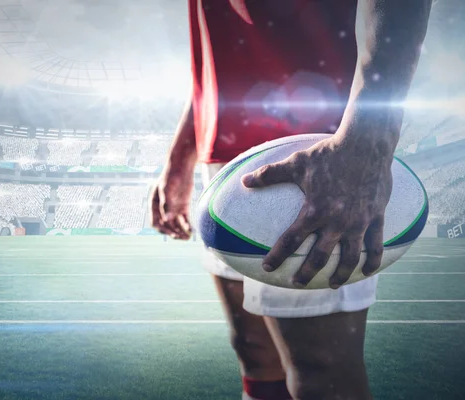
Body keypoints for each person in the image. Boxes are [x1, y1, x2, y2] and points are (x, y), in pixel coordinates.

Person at [150, 1, 432, 399]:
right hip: (227, 157)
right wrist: (183, 152)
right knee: (254, 353)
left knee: (322, 371)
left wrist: (366, 141)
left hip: (316, 152)